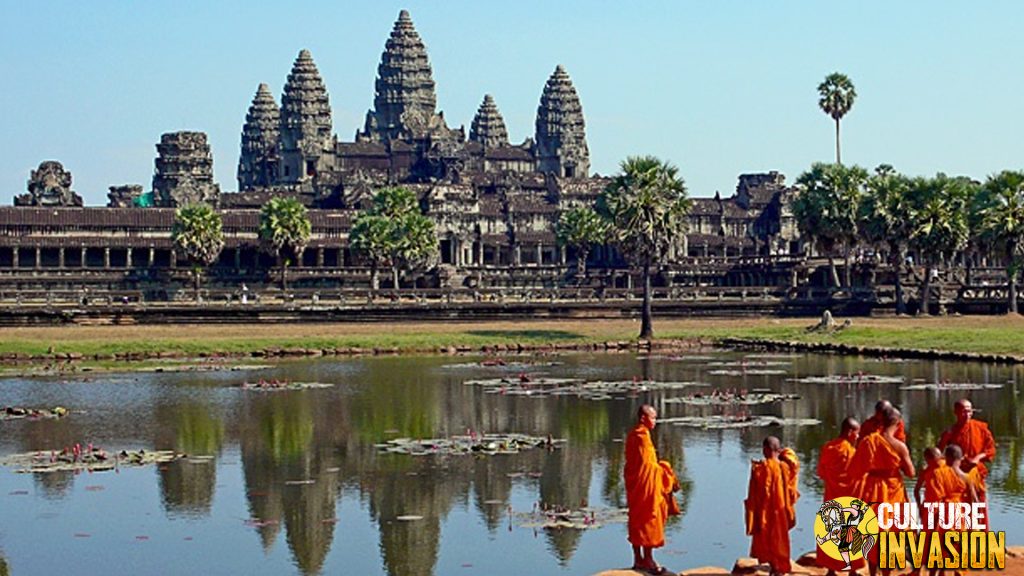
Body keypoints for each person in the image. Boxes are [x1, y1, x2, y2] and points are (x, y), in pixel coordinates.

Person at [848, 408, 915, 576]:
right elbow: (911, 472)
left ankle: (872, 573)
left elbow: (855, 470)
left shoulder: (868, 441)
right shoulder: (899, 446)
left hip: (873, 488)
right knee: (892, 532)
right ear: (898, 423)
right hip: (894, 489)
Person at [625, 405, 680, 575]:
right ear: (643, 418)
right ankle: (647, 559)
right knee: (649, 516)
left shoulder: (633, 435)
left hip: (637, 485)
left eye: (655, 417)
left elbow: (634, 465)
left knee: (636, 518)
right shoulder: (642, 437)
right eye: (653, 417)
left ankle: (637, 559)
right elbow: (648, 466)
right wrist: (666, 471)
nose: (655, 421)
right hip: (645, 487)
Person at [746, 436, 800, 576]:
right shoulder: (785, 467)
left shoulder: (760, 468)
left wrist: (752, 511)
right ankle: (778, 567)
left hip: (765, 512)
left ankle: (773, 566)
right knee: (780, 538)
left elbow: (754, 494)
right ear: (777, 449)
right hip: (781, 511)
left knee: (766, 537)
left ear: (765, 449)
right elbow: (792, 484)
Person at [937, 398, 994, 530]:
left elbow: (990, 449)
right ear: (956, 412)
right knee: (960, 505)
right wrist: (945, 439)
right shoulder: (951, 431)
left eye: (969, 411)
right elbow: (939, 452)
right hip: (957, 474)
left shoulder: (981, 428)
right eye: (964, 412)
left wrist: (978, 457)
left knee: (978, 504)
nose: (967, 415)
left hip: (975, 472)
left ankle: (982, 536)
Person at [817, 417, 863, 576]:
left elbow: (821, 473)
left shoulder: (828, 448)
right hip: (849, 499)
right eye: (857, 433)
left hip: (832, 496)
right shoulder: (851, 453)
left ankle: (830, 569)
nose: (858, 437)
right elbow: (858, 476)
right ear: (850, 432)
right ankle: (853, 570)